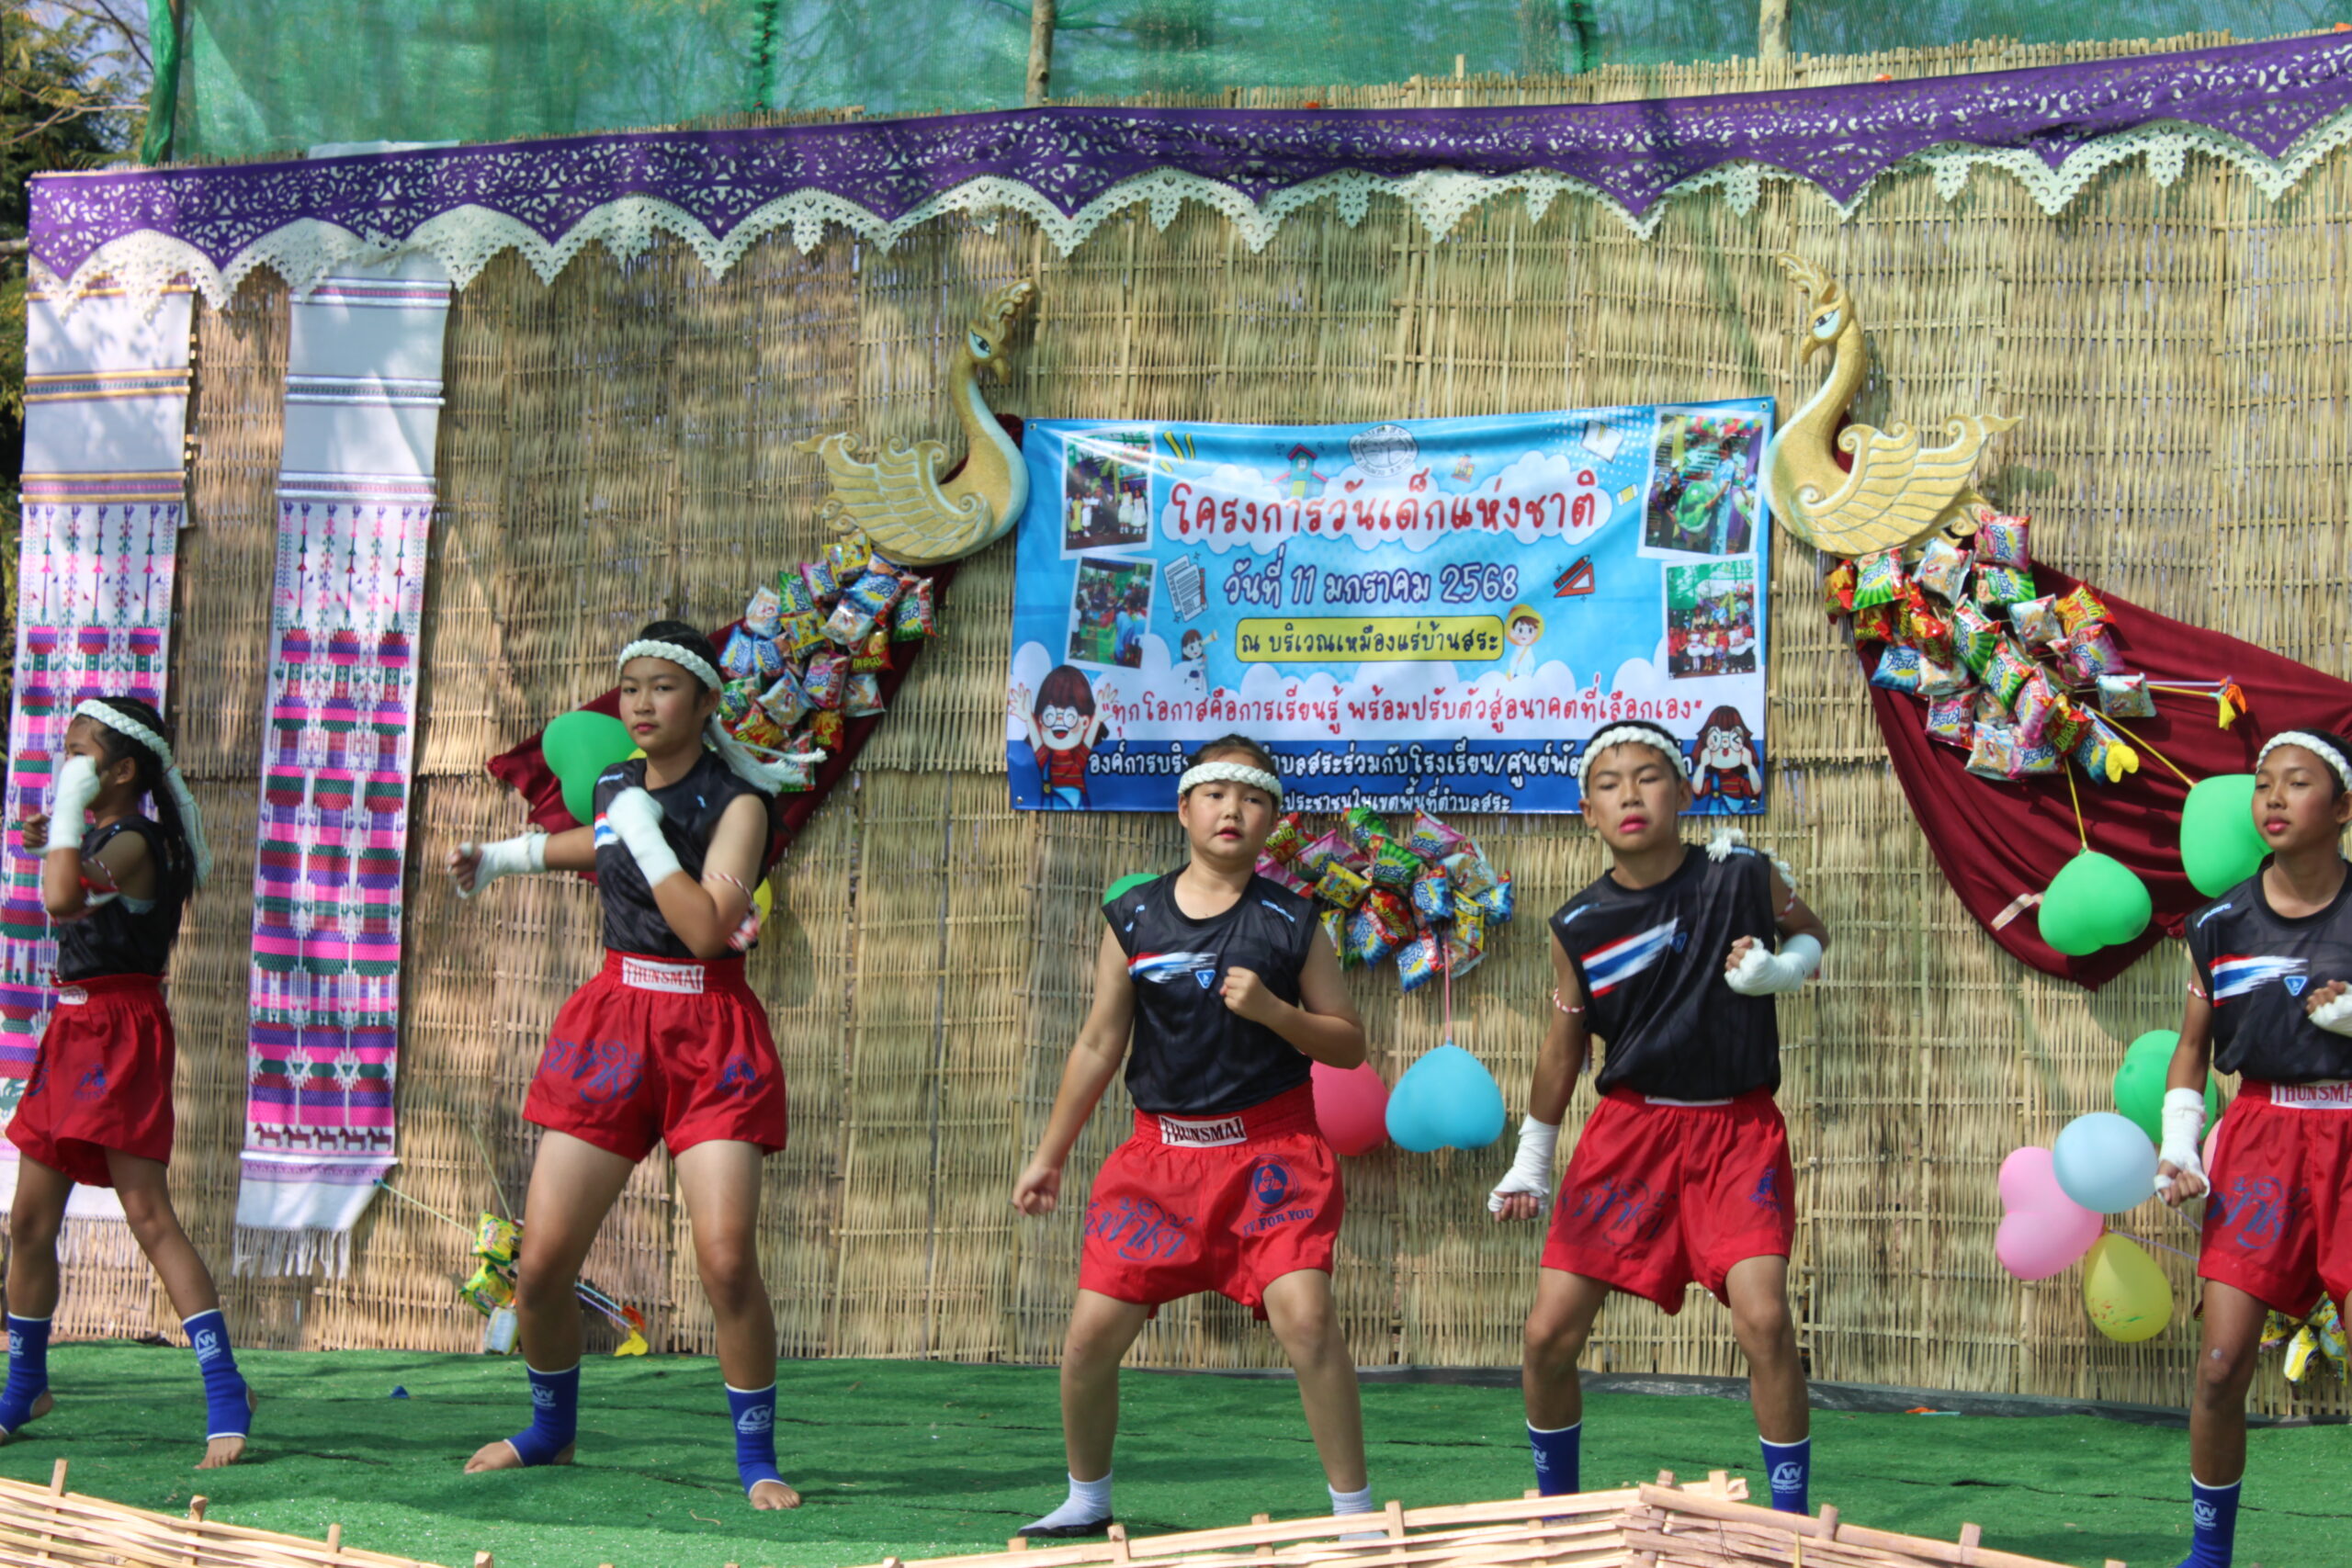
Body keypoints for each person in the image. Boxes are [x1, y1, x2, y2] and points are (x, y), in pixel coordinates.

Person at [447, 621, 799, 1510]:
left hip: (708, 1031)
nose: (641, 703)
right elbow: (598, 842)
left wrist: (642, 832)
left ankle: (757, 1459)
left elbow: (707, 930)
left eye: (663, 687)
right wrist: (505, 858)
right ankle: (550, 1432)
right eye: (631, 686)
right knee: (541, 1264)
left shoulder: (740, 806)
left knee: (726, 1261)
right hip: (614, 1023)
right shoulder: (616, 785)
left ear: (706, 702)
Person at [1012, 737, 1373, 1537]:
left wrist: (1275, 1012)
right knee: (1088, 1338)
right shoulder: (1135, 916)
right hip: (1158, 1164)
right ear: (1184, 808)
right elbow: (1099, 1043)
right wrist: (1049, 1156)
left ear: (1272, 820)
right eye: (1215, 794)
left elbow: (1349, 1044)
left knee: (1308, 1320)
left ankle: (1354, 1515)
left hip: (1273, 1159)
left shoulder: (1292, 921)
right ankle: (1087, 1499)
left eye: (1252, 798)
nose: (1231, 810)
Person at [1490, 719, 1827, 1510]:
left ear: (1683, 792)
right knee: (1546, 1335)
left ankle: (1790, 1525)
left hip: (1737, 1132)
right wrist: (1531, 1159)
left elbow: (1812, 932)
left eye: (1648, 777)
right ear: (1588, 811)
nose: (1630, 795)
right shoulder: (1578, 925)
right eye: (1609, 785)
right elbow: (1564, 1046)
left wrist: (1782, 970)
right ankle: (1559, 1513)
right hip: (1629, 1135)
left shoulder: (1741, 874)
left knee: (1765, 1320)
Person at [4, 697, 254, 1468]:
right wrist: (60, 832)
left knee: (147, 1214)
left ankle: (226, 1389)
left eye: (80, 753)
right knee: (29, 1222)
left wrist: (65, 820)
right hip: (73, 1026)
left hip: (121, 1031)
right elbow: (66, 878)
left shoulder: (138, 840)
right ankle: (26, 1384)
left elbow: (61, 899)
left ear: (119, 771)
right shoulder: (106, 834)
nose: (66, 764)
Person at [2156, 728, 2352, 1568]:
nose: (2273, 796)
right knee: (2219, 1364)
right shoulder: (2218, 922)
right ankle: (2209, 1556)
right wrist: (2180, 1144)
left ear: (2343, 808)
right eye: (2264, 781)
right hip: (2261, 1140)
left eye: (2297, 782)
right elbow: (2192, 1047)